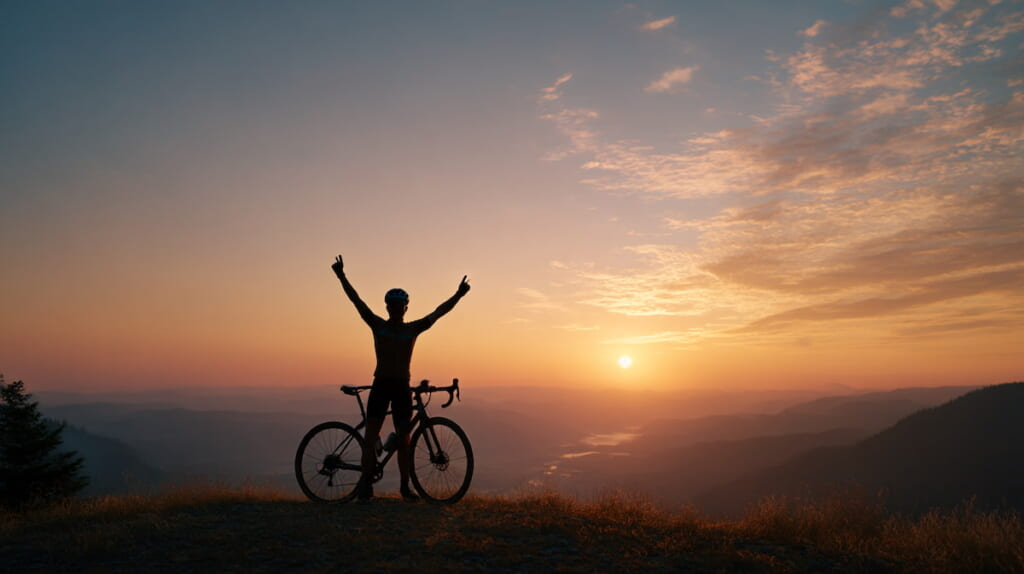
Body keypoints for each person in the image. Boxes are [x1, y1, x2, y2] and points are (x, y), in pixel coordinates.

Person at [331, 254, 470, 501]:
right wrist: (342, 276)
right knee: (372, 436)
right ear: (389, 307)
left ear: (405, 307)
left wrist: (458, 296)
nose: (396, 309)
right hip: (383, 385)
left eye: (399, 306)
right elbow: (357, 301)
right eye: (393, 306)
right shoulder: (382, 325)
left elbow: (439, 312)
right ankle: (366, 484)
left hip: (399, 387)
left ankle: (404, 488)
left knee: (403, 441)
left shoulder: (406, 328)